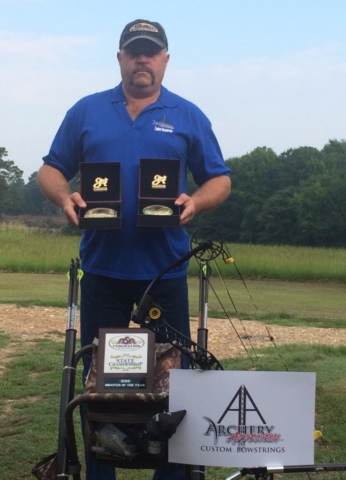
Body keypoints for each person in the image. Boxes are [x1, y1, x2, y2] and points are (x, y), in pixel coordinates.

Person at [38, 19, 231, 480]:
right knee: (99, 384)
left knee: (173, 384)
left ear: (164, 59)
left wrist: (195, 201)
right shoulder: (86, 111)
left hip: (163, 273)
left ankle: (172, 473)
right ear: (121, 58)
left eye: (151, 51)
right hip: (102, 270)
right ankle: (101, 471)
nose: (142, 59)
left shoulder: (187, 115)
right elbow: (50, 169)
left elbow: (219, 179)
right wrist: (65, 197)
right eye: (134, 51)